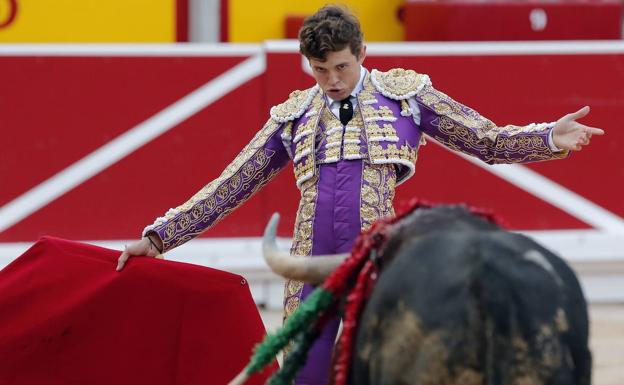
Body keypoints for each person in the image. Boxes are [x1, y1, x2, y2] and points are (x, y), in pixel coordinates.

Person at [116, 5, 603, 385]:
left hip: (383, 267)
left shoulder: (405, 96)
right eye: (320, 69)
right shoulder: (293, 115)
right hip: (310, 272)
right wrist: (158, 237)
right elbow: (230, 185)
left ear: (363, 53)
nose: (331, 80)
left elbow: (486, 139)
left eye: (342, 67)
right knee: (307, 378)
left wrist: (544, 138)